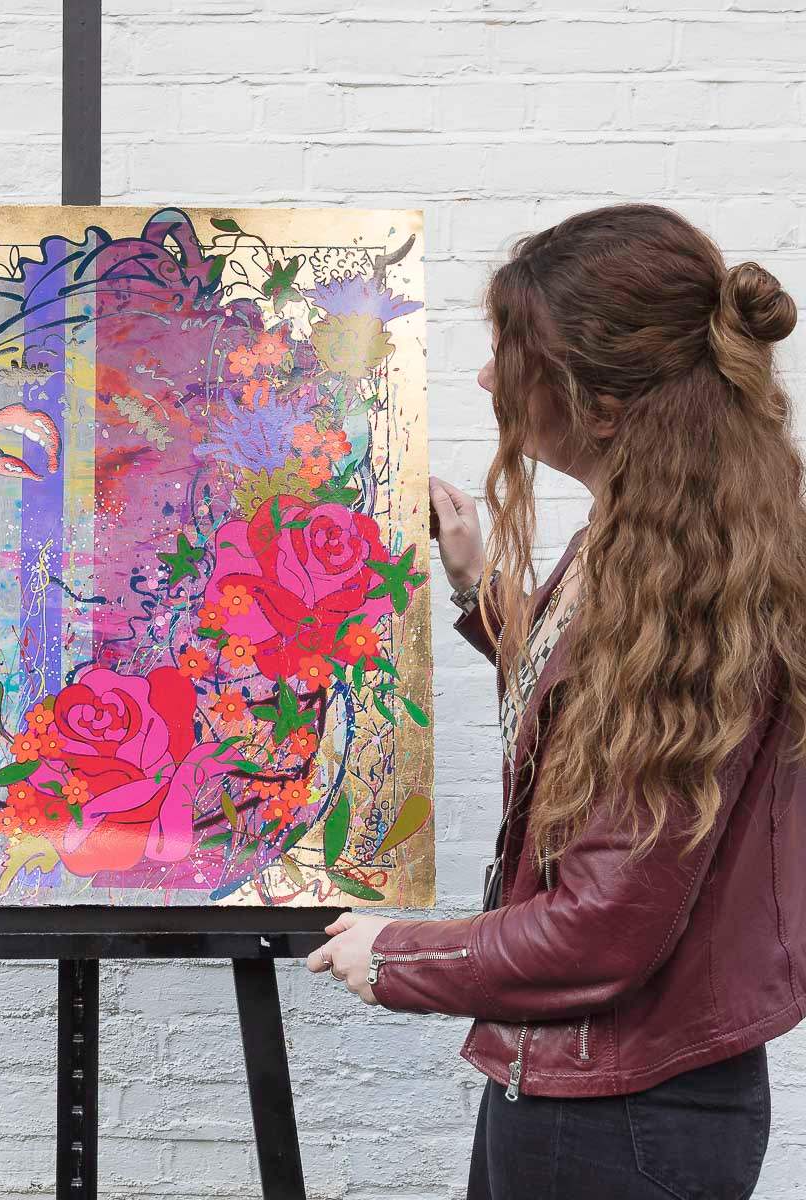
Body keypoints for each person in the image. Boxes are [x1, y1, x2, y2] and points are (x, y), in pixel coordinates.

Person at [306, 203, 806, 1199]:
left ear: (602, 405)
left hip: (622, 1119)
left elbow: (601, 928)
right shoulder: (651, 552)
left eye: (510, 354)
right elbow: (584, 724)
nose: (487, 380)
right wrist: (478, 585)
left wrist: (396, 956)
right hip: (585, 1087)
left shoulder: (690, 603)